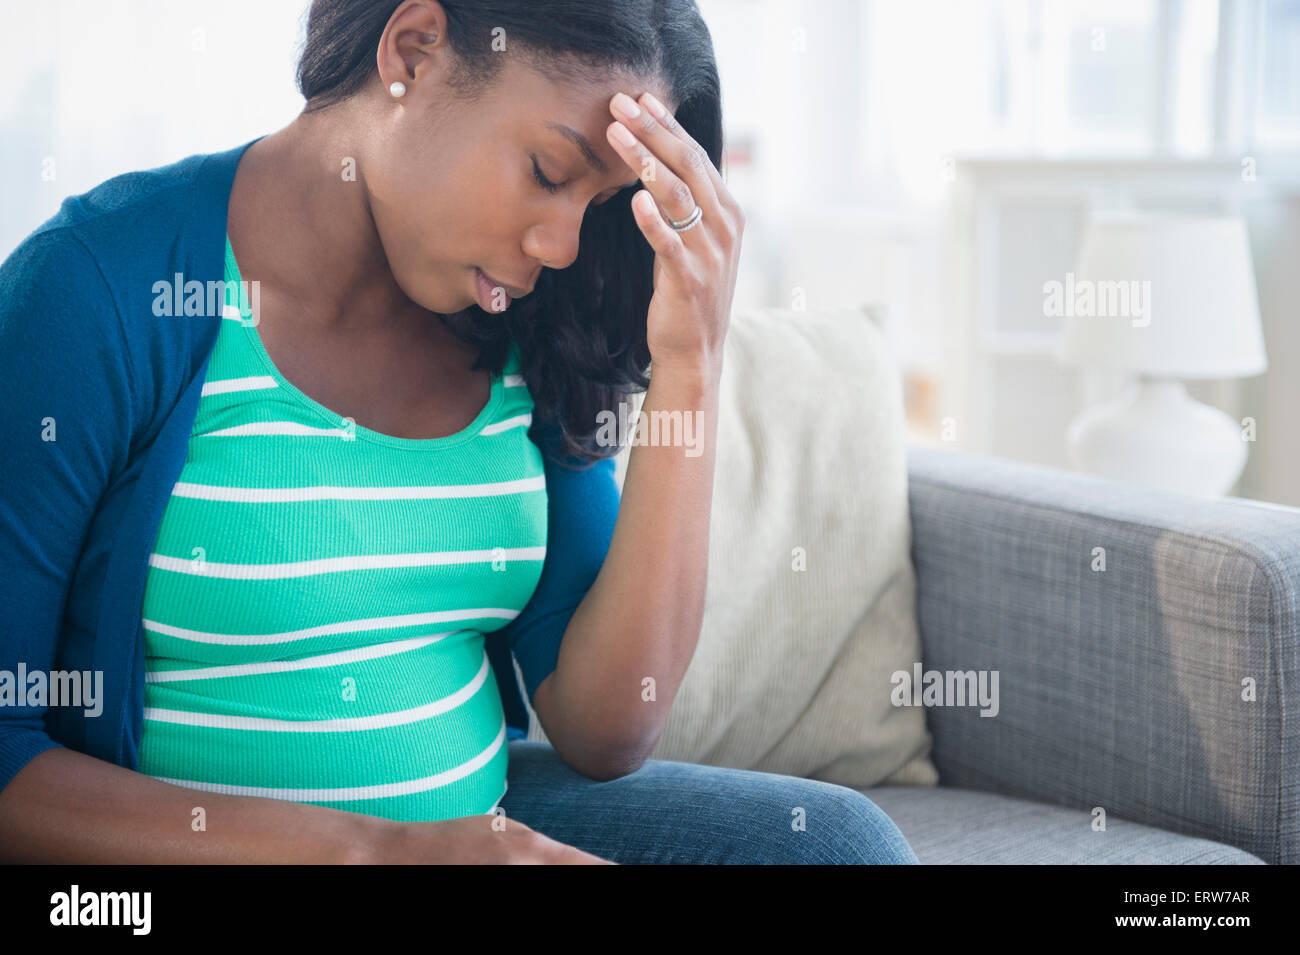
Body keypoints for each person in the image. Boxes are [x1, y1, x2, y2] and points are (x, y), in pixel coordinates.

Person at [0, 0, 919, 864]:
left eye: (596, 206)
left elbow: (609, 728)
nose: (562, 245)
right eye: (549, 173)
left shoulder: (520, 321)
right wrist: (382, 854)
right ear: (412, 52)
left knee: (833, 845)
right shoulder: (95, 291)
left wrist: (693, 360)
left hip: (466, 836)